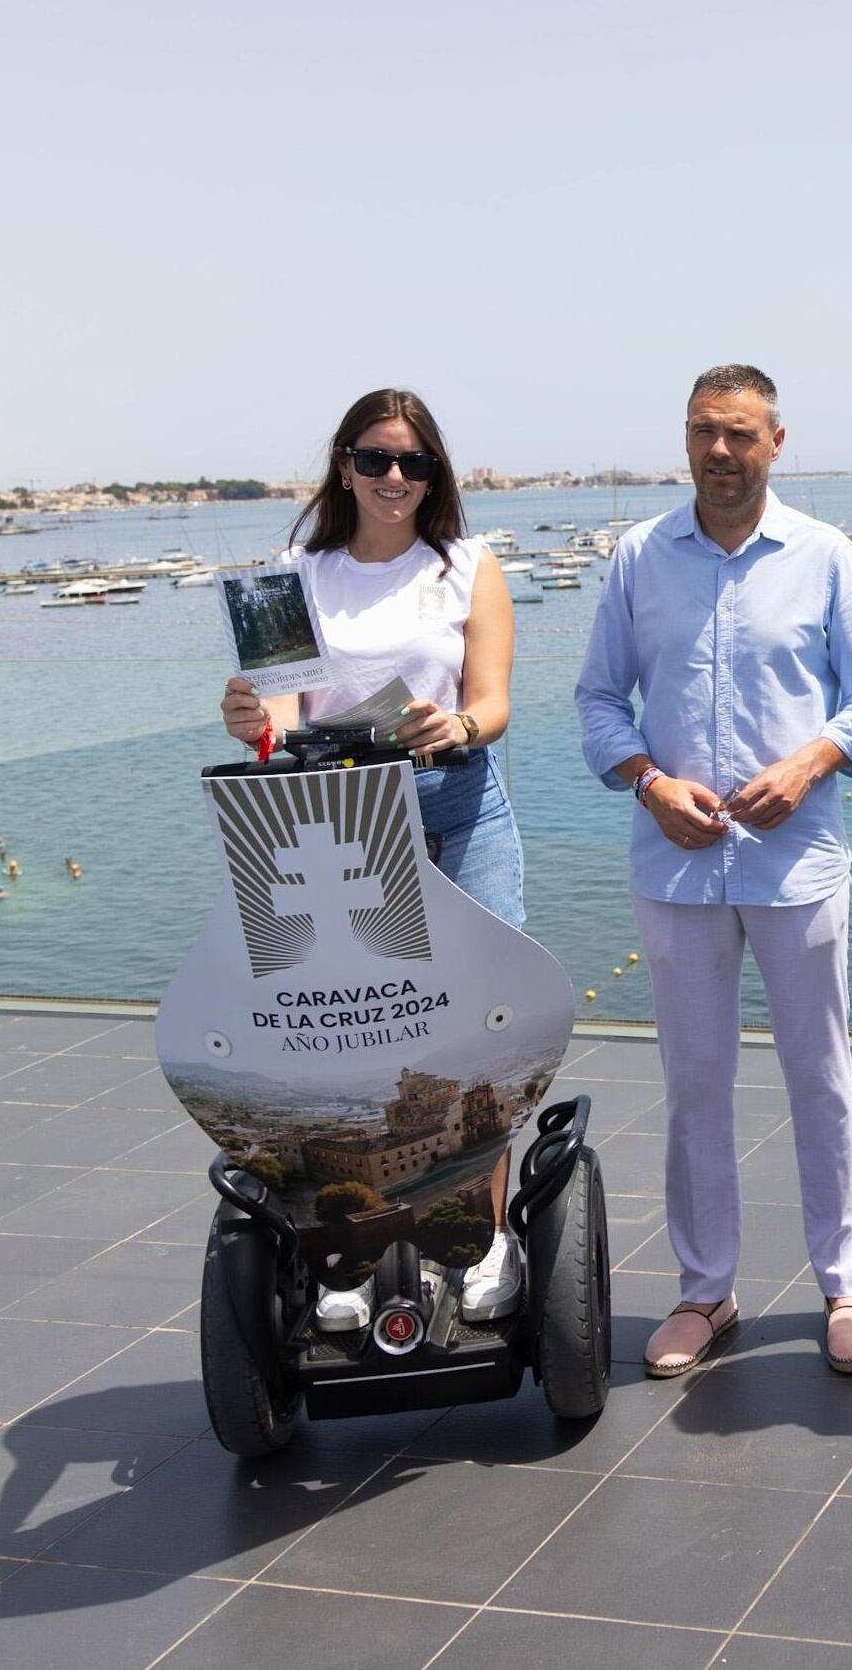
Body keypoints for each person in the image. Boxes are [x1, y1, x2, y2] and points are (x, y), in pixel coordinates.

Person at [576, 365, 852, 1378]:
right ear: (685, 442)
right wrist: (646, 784)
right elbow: (596, 701)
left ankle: (844, 1283)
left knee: (821, 1078)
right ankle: (703, 1291)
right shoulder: (639, 557)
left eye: (738, 434)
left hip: (796, 864)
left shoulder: (825, 557)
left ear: (775, 442)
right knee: (693, 1084)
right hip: (674, 874)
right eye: (702, 433)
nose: (719, 452)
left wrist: (809, 764)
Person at [216, 385, 526, 1313]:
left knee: (483, 1029)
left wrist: (456, 722)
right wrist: (249, 721)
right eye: (375, 458)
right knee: (344, 1023)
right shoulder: (296, 574)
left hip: (456, 802)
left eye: (414, 462)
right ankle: (342, 1258)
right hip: (339, 821)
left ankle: (480, 1239)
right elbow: (278, 719)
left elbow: (494, 702)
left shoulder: (468, 565)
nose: (394, 477)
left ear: (435, 475)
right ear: (343, 466)